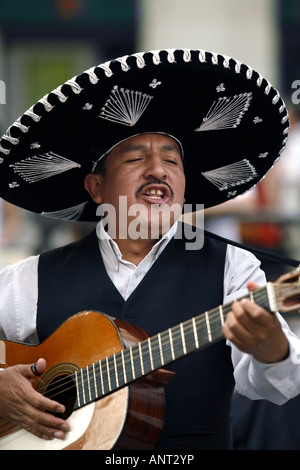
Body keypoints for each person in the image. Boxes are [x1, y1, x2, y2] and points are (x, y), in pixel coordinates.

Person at [0, 48, 300, 450]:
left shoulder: (233, 267)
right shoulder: (29, 278)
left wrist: (270, 347)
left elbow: (280, 386)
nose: (158, 170)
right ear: (96, 187)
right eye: (136, 157)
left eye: (172, 161)